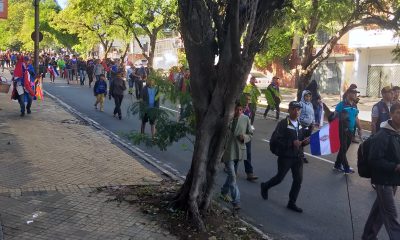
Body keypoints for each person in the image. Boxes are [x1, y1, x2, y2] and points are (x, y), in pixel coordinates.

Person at [260, 101, 309, 213]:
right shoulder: (283, 123)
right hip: (286, 156)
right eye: (294, 109)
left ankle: (292, 202)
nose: (297, 112)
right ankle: (265, 186)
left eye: (298, 110)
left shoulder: (300, 124)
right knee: (279, 178)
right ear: (289, 110)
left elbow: (300, 139)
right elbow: (276, 140)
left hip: (298, 156)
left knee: (298, 180)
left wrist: (305, 142)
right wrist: (291, 143)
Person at [362, 103, 400, 240]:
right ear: (391, 114)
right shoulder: (383, 135)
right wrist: (394, 167)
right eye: (398, 113)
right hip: (383, 181)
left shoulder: (396, 134)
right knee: (391, 216)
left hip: (393, 180)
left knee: (378, 212)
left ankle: (368, 236)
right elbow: (374, 160)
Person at [220, 101, 253, 210]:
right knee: (233, 176)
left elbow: (250, 134)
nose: (238, 112)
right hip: (227, 152)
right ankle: (236, 201)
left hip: (238, 151)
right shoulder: (227, 118)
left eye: (240, 110)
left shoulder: (245, 119)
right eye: (236, 109)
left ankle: (224, 192)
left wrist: (245, 137)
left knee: (231, 175)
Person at [333, 86, 363, 174]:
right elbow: (334, 117)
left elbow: (356, 118)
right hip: (342, 130)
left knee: (344, 149)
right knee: (343, 149)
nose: (355, 95)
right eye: (353, 93)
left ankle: (337, 165)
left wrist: (360, 129)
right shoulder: (341, 105)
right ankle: (346, 167)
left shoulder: (354, 105)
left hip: (351, 131)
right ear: (348, 94)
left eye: (356, 93)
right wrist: (340, 117)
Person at [236, 94, 258, 181]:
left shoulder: (248, 109)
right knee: (236, 153)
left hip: (247, 135)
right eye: (246, 99)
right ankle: (231, 168)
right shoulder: (238, 109)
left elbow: (249, 122)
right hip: (238, 134)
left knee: (248, 153)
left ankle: (249, 173)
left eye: (249, 100)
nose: (247, 101)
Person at [299, 90, 314, 163]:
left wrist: (313, 123)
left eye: (309, 96)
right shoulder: (300, 104)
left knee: (307, 141)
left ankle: (299, 152)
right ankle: (301, 156)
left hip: (309, 126)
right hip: (302, 125)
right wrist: (300, 123)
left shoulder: (310, 104)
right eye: (306, 96)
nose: (308, 98)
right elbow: (298, 115)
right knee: (301, 140)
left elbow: (312, 114)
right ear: (303, 96)